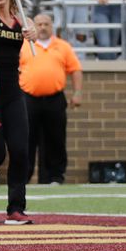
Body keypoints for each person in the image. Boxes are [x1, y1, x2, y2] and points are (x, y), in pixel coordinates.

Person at [0, 0, 34, 224]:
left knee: (21, 150)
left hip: (14, 92)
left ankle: (16, 208)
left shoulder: (21, 20)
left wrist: (31, 32)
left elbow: (32, 31)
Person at [19, 13, 83, 184]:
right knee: (26, 139)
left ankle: (55, 177)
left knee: (56, 139)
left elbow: (75, 69)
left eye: (46, 24)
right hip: (28, 99)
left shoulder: (62, 46)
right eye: (39, 24)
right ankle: (23, 177)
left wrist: (77, 93)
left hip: (55, 99)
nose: (42, 27)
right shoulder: (24, 45)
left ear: (52, 26)